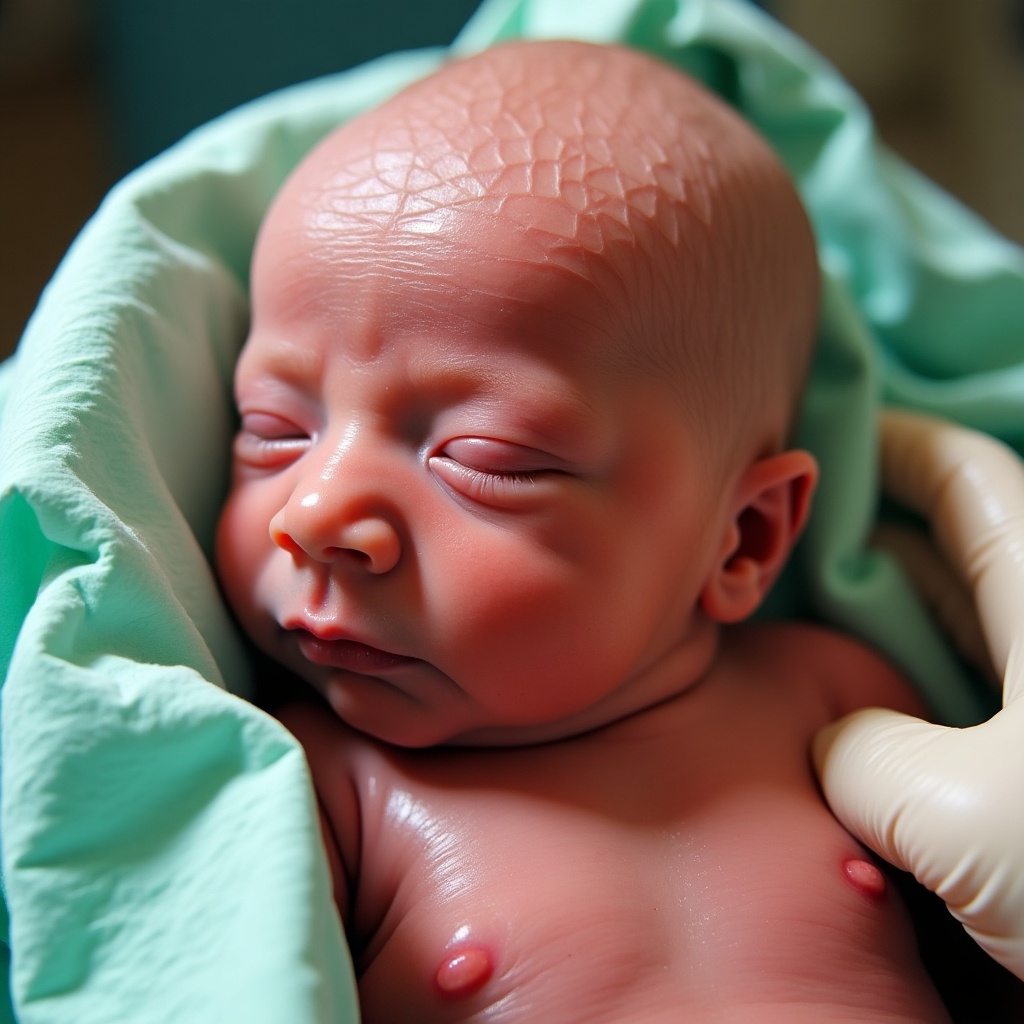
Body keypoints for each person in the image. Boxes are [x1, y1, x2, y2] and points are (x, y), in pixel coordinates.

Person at [215, 39, 953, 1022]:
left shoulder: (839, 703)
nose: (315, 516)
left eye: (487, 458)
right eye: (272, 432)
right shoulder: (321, 789)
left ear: (742, 538)